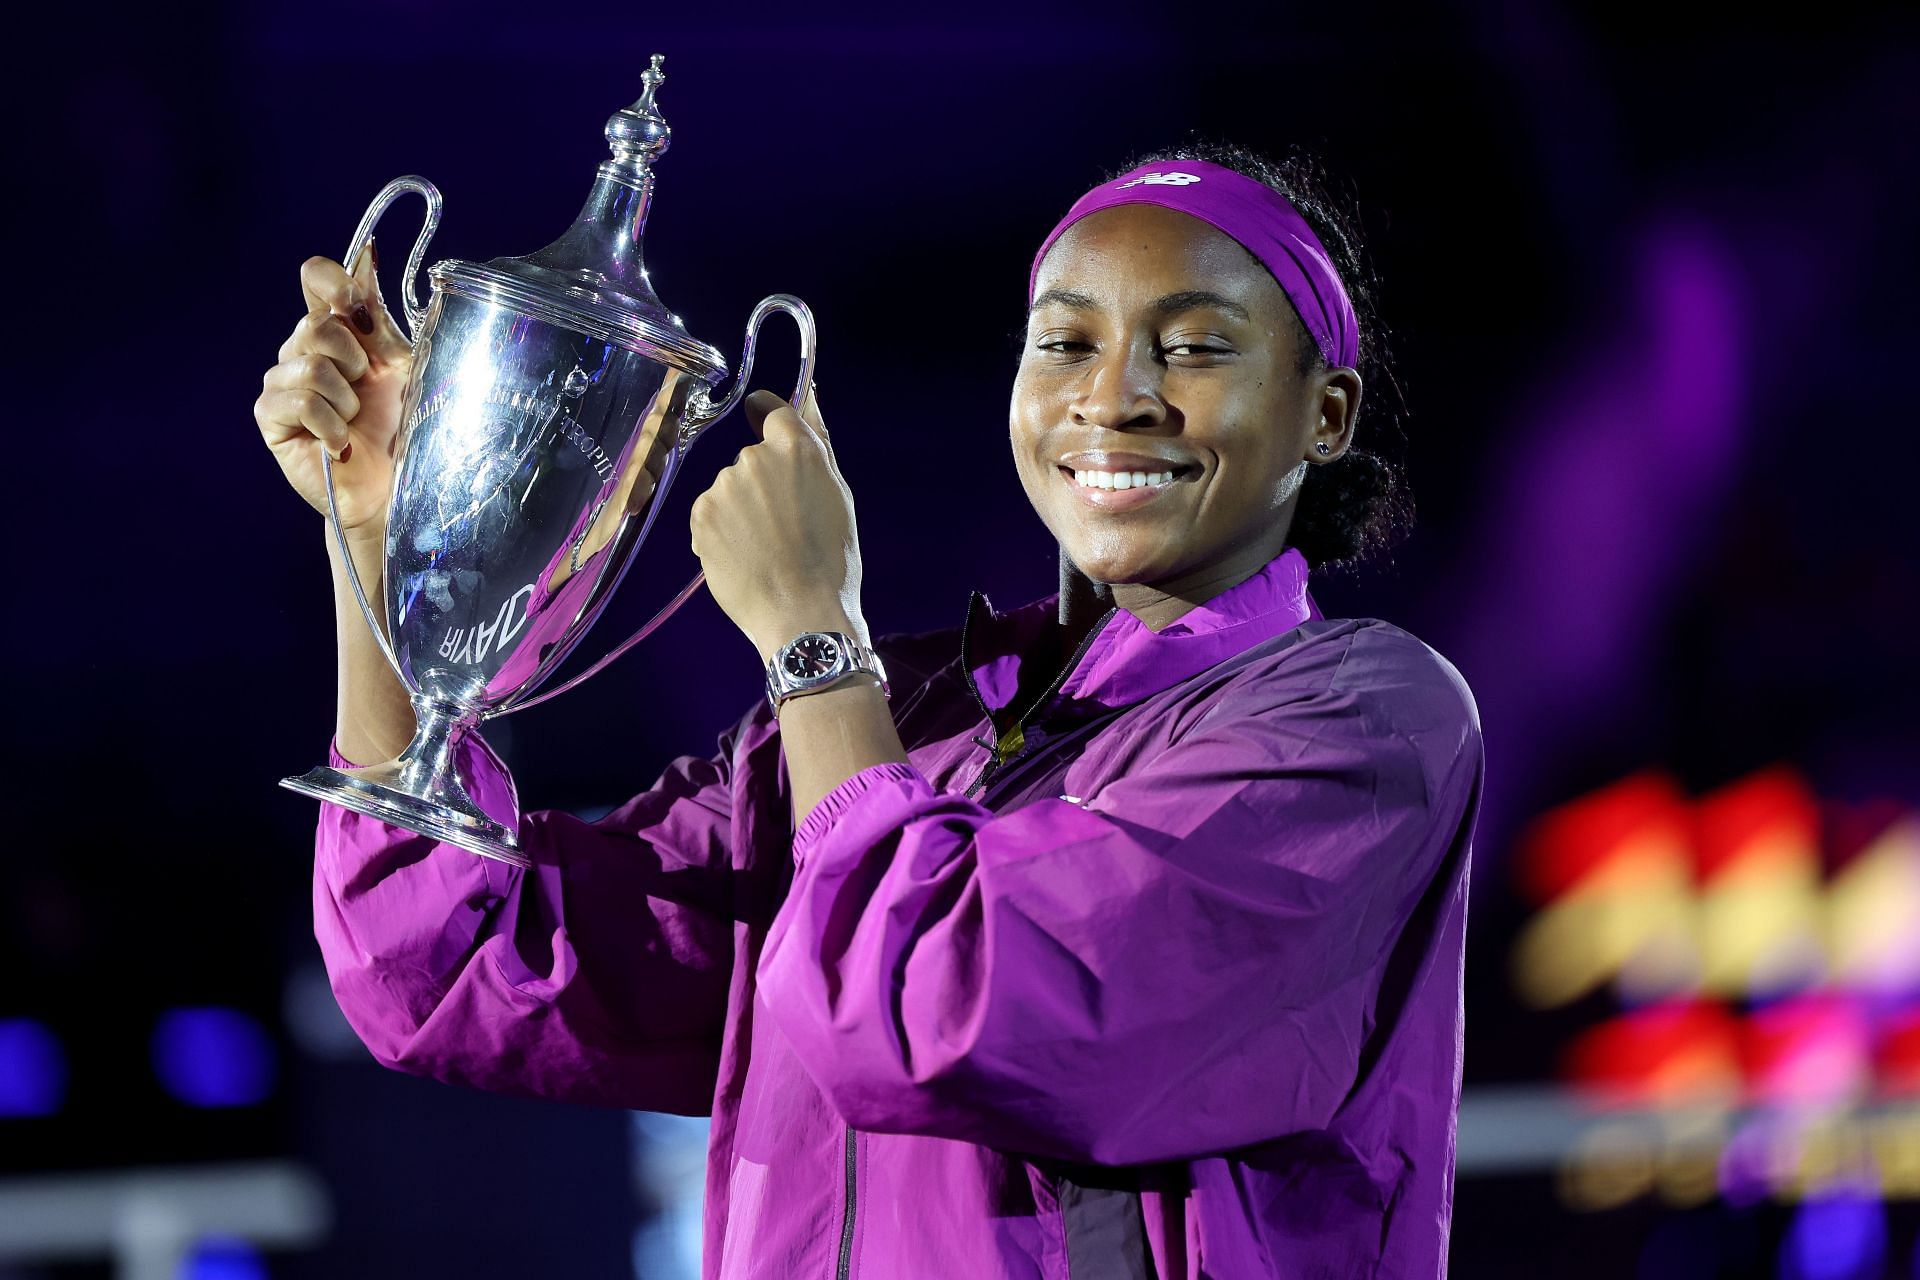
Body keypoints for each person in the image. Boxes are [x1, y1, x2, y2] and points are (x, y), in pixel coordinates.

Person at [255, 142, 1485, 1279]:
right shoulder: (910, 720)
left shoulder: (1360, 729)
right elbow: (459, 959)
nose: (1116, 395)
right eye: (1064, 343)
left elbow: (937, 1008)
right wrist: (382, 536)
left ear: (1326, 412)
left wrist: (812, 640)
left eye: (1197, 345)